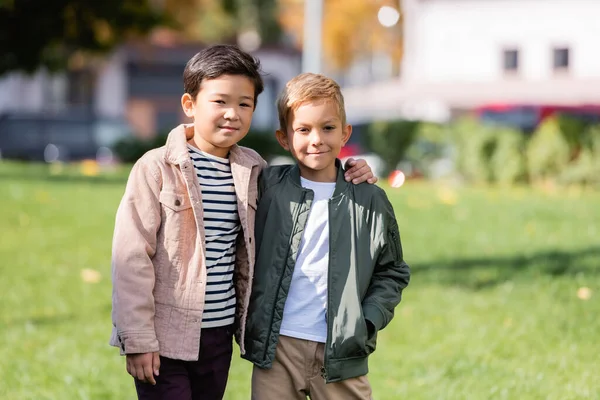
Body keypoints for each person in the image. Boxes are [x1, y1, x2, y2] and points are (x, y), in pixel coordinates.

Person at [109, 45, 376, 400]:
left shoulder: (254, 171)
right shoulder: (155, 168)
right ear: (190, 105)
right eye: (220, 102)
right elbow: (130, 258)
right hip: (165, 335)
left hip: (218, 337)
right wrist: (138, 339)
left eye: (245, 104)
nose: (232, 114)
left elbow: (311, 177)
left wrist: (351, 172)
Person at [242, 73, 411, 400]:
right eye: (303, 130)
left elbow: (392, 270)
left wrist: (367, 322)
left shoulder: (368, 198)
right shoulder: (267, 186)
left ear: (345, 132)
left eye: (328, 127)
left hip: (342, 350)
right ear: (283, 137)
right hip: (276, 349)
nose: (316, 139)